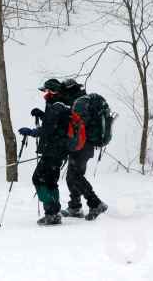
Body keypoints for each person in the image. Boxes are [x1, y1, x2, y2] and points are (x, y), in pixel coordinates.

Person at [18, 82, 72, 226]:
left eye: (47, 92)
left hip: (53, 150)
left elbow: (49, 129)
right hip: (60, 150)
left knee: (38, 179)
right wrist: (42, 114)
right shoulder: (62, 106)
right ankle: (55, 213)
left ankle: (51, 213)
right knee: (51, 181)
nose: (45, 95)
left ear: (53, 92)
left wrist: (31, 132)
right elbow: (56, 124)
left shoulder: (56, 107)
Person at [54, 79, 107, 220]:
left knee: (75, 176)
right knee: (72, 176)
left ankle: (95, 203)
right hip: (86, 145)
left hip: (81, 145)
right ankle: (75, 207)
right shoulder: (85, 102)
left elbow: (75, 127)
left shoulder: (78, 104)